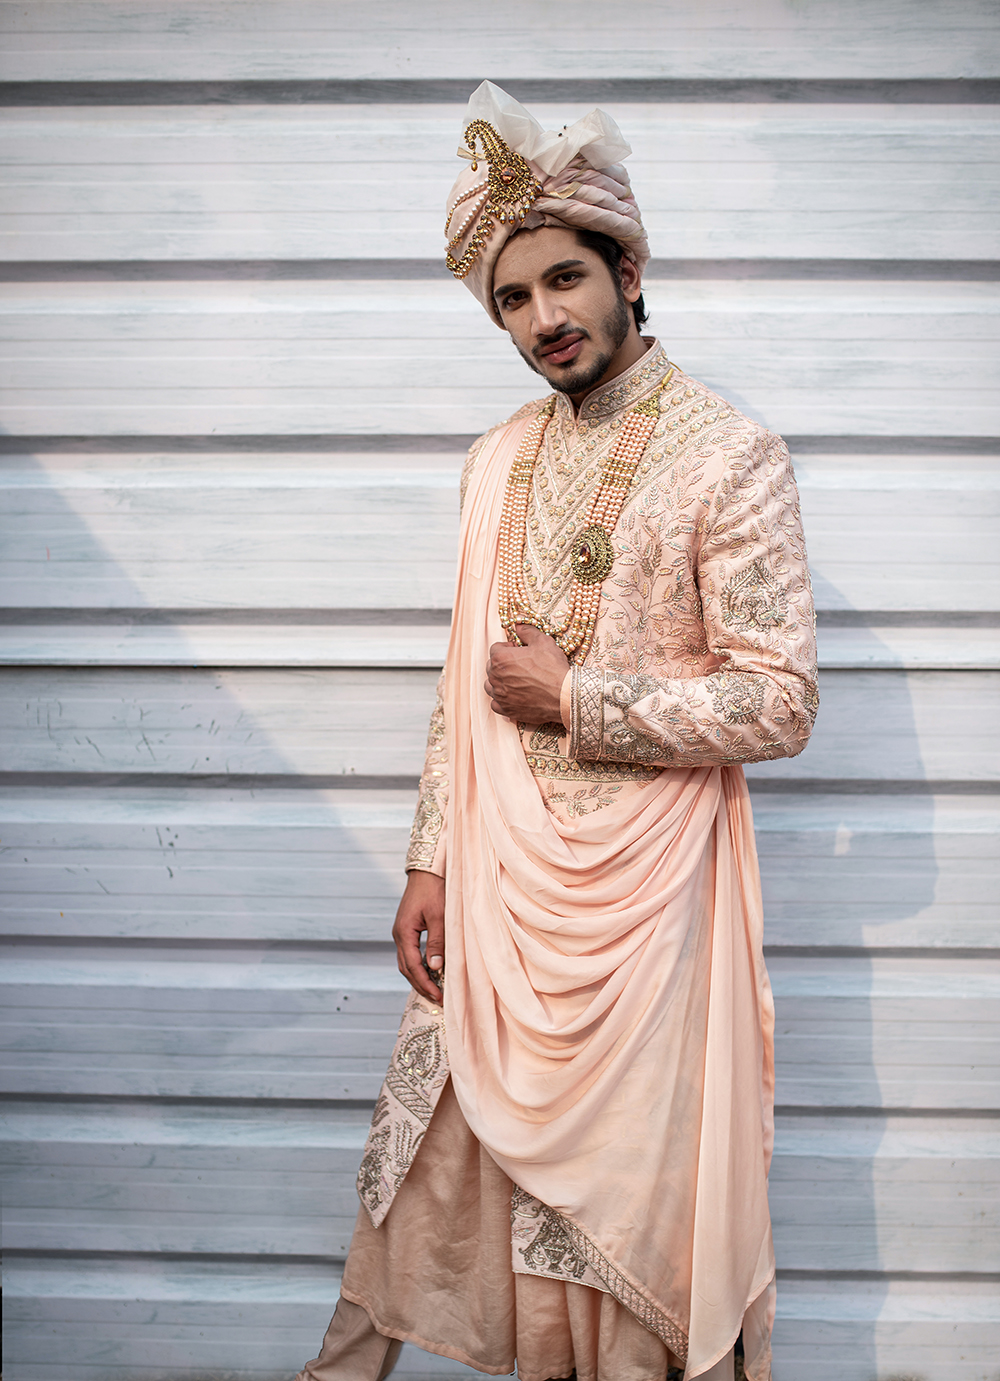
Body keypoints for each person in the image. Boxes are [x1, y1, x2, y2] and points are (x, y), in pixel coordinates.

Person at [297, 81, 817, 1381]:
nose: (542, 320)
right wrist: (430, 856)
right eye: (513, 300)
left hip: (645, 908)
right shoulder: (497, 459)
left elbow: (780, 698)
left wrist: (577, 700)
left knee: (619, 1203)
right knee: (420, 1162)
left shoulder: (729, 455)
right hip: (496, 877)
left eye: (565, 280)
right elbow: (460, 683)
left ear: (628, 271)